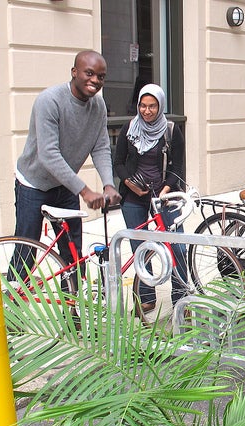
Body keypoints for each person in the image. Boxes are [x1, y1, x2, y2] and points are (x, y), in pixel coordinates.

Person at [13, 50, 121, 279]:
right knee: (26, 251)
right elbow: (49, 155)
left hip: (64, 186)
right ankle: (12, 307)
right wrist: (84, 190)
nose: (95, 80)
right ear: (74, 72)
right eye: (89, 73)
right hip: (33, 184)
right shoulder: (49, 101)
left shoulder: (98, 106)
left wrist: (109, 184)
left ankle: (71, 311)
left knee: (73, 254)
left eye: (101, 76)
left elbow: (101, 147)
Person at [113, 83, 187, 315]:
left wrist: (165, 190)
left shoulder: (171, 130)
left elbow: (178, 168)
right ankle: (146, 296)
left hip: (165, 196)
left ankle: (181, 298)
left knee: (177, 247)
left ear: (160, 105)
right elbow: (118, 163)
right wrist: (129, 184)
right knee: (141, 248)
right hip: (134, 197)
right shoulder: (129, 129)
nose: (147, 111)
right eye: (143, 106)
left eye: (152, 106)